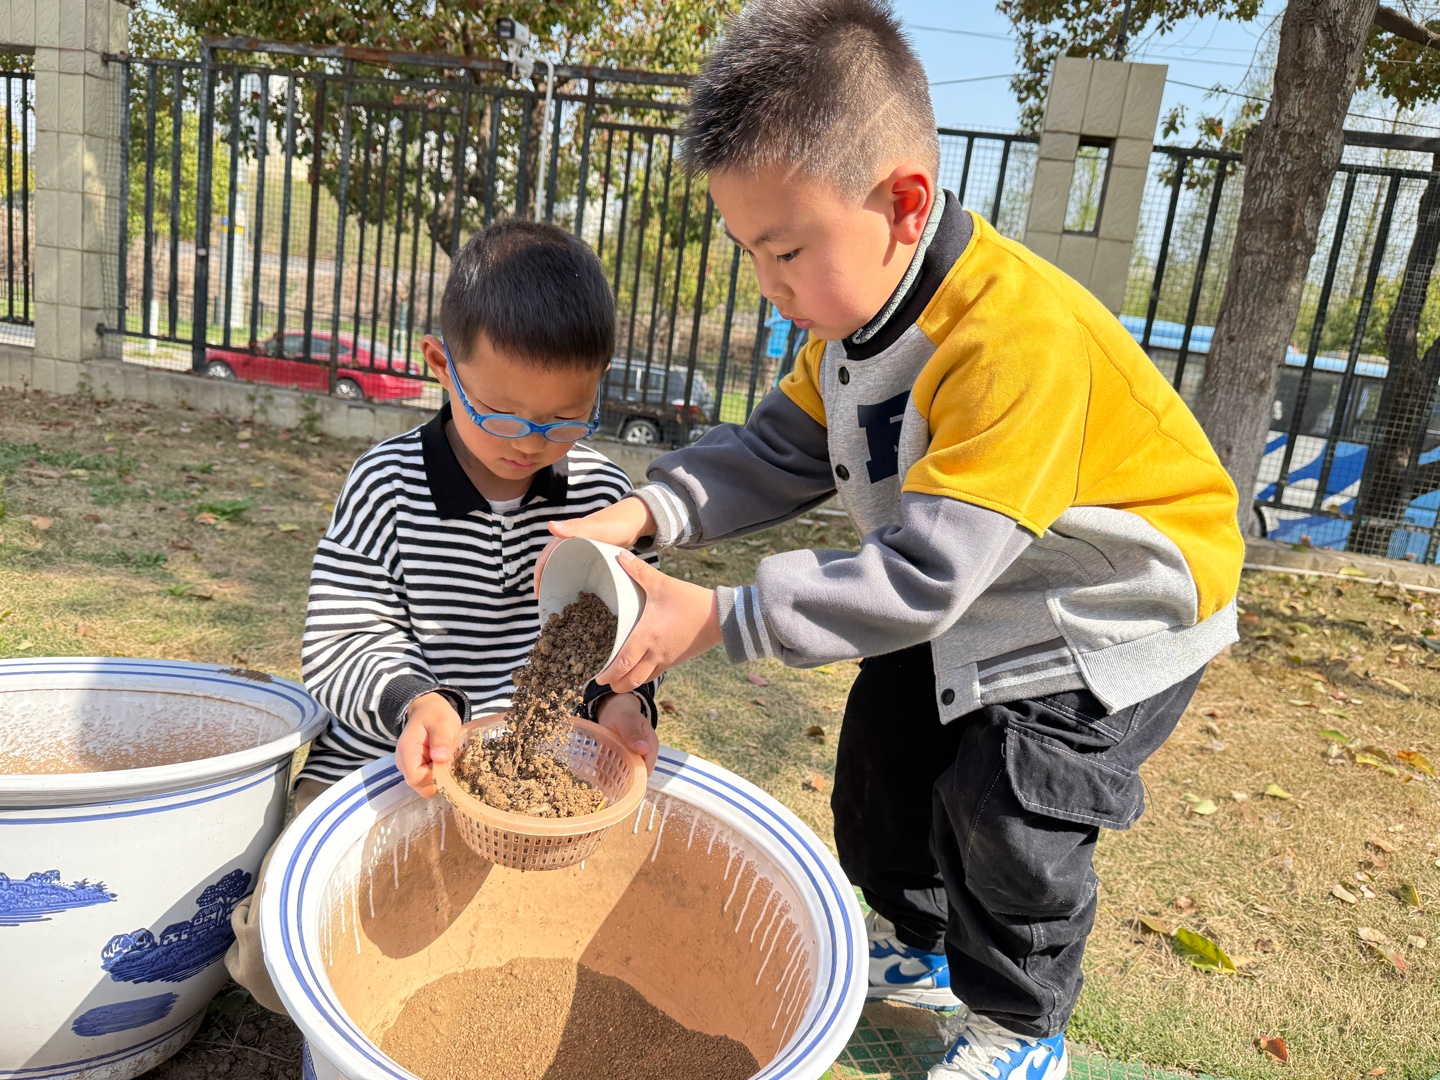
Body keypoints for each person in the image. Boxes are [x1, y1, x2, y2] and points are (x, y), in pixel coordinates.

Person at [546, 2, 1246, 1077]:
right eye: (751, 253)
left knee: (1009, 803)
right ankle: (917, 945)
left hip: (1104, 611)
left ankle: (1020, 1029)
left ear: (903, 203)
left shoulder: (1016, 340)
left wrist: (723, 617)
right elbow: (774, 449)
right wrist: (644, 512)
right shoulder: (852, 327)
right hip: (982, 587)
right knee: (886, 748)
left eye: (787, 250)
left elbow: (925, 575)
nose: (770, 285)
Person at [225, 218, 660, 1015]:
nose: (531, 444)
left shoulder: (604, 498)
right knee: (277, 955)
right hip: (385, 755)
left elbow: (630, 637)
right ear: (439, 365)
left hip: (532, 765)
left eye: (566, 418)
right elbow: (342, 636)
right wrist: (415, 704)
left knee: (538, 941)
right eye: (501, 415)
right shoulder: (386, 485)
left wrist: (623, 704)